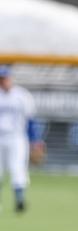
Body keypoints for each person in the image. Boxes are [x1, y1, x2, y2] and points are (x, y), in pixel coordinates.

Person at [0, 65, 43, 213]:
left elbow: (31, 120)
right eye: (1, 79)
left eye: (5, 78)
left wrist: (35, 140)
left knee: (18, 168)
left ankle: (19, 201)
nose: (3, 81)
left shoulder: (22, 95)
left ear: (10, 78)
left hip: (16, 137)